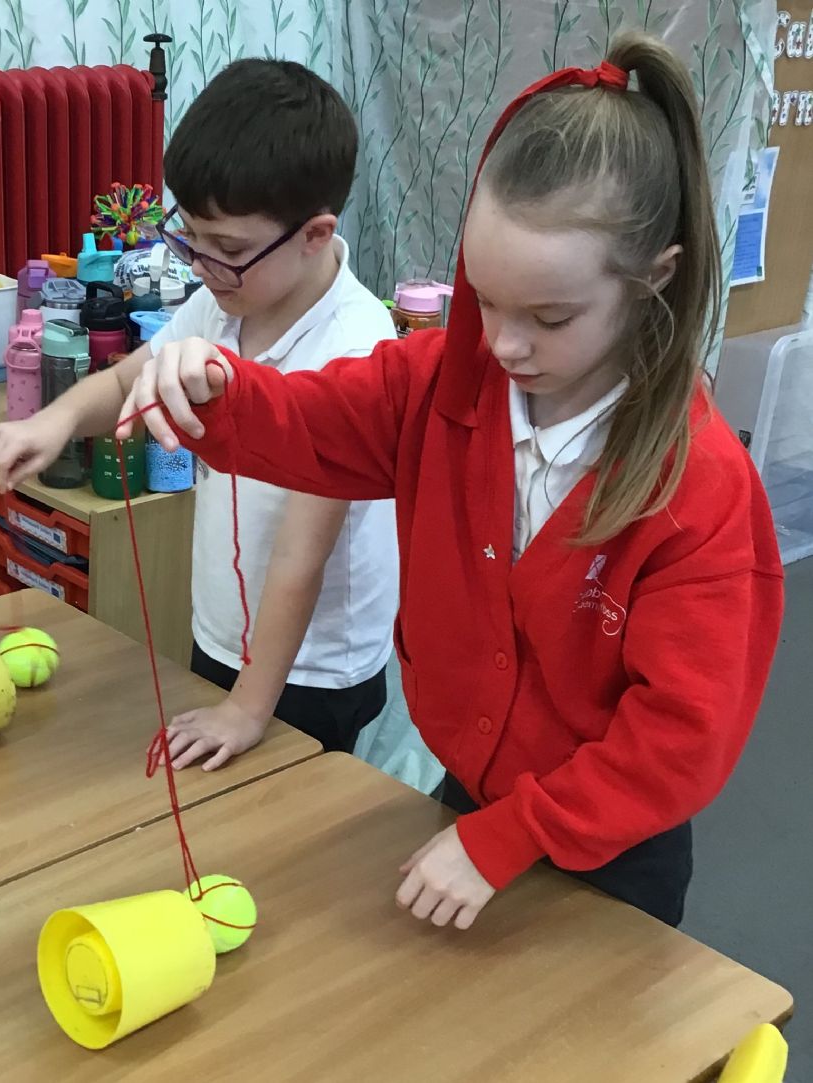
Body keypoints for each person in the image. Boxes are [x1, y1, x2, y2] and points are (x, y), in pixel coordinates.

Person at [115, 34, 784, 931]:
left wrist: (514, 834)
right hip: (470, 799)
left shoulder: (697, 489)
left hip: (611, 847)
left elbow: (678, 739)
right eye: (487, 300)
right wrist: (218, 388)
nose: (505, 343)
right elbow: (310, 421)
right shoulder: (437, 386)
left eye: (549, 317)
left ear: (652, 280)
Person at [0, 59, 399, 765]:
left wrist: (246, 707)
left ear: (315, 234)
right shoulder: (224, 300)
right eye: (191, 238)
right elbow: (132, 378)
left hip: (310, 669)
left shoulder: (356, 349)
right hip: (225, 634)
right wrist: (54, 421)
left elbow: (301, 556)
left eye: (228, 248)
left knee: (287, 819)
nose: (201, 265)